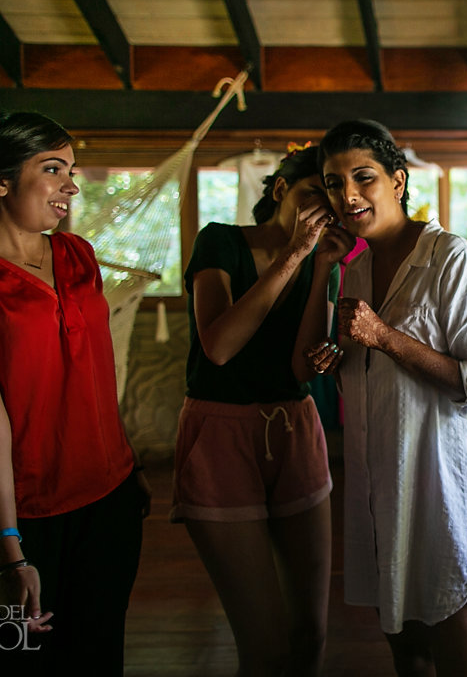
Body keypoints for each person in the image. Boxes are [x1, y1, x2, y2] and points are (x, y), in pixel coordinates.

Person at [0, 112, 149, 676]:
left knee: (99, 658)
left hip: (110, 501)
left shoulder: (79, 256)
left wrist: (126, 470)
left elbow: (94, 374)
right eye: (52, 169)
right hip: (23, 515)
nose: (71, 185)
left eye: (71, 169)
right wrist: (7, 547)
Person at [309, 120, 467, 677]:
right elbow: (367, 368)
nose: (347, 195)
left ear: (398, 181)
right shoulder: (357, 268)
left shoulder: (453, 260)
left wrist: (385, 338)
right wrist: (343, 351)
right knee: (410, 657)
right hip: (383, 492)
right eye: (333, 183)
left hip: (447, 496)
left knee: (461, 652)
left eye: (363, 177)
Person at [172, 145, 351, 677]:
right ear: (279, 191)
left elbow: (300, 368)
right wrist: (294, 254)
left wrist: (319, 269)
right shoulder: (220, 242)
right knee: (267, 649)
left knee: (311, 633)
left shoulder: (322, 260)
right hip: (221, 434)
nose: (325, 206)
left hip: (293, 429)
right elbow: (220, 346)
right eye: (312, 192)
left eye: (334, 196)